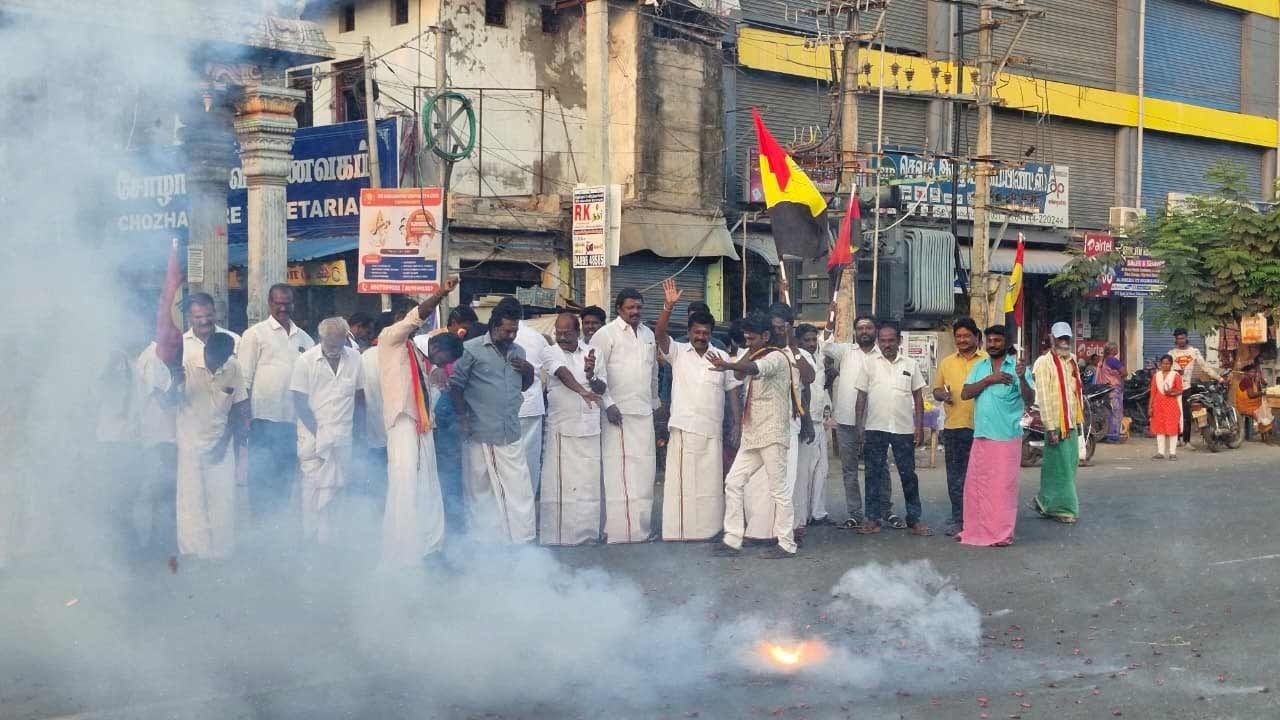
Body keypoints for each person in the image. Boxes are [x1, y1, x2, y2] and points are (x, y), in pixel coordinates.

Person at [377, 279, 459, 566]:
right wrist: (440, 294)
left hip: (422, 424)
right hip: (403, 422)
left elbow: (427, 376)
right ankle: (404, 550)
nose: (419, 326)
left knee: (428, 485)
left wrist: (436, 371)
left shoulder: (412, 349)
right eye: (414, 320)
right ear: (401, 320)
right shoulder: (390, 338)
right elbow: (416, 318)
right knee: (406, 485)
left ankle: (430, 547)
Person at [656, 279, 741, 542]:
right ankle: (678, 532)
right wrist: (668, 307)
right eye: (696, 332)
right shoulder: (679, 352)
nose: (701, 337)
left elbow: (732, 392)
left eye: (705, 333)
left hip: (711, 430)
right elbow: (659, 335)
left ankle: (708, 531)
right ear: (690, 332)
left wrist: (736, 424)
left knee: (708, 485)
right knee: (681, 485)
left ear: (710, 333)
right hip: (683, 427)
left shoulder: (722, 357)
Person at [710, 312, 801, 559]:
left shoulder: (777, 358)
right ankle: (732, 539)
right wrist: (750, 348)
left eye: (752, 334)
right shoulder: (756, 352)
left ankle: (787, 543)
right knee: (733, 482)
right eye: (745, 333)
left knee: (779, 490)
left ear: (766, 336)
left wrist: (728, 363)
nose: (747, 337)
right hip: (753, 434)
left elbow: (750, 369)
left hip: (772, 433)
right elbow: (741, 375)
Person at [450, 300, 538, 544]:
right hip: (480, 431)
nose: (511, 335)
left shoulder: (518, 352)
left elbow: (523, 386)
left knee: (518, 488)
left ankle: (521, 540)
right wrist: (463, 418)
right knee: (481, 491)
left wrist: (529, 371)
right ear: (493, 326)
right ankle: (485, 542)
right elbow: (456, 386)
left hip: (510, 430)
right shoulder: (472, 349)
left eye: (515, 331)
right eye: (507, 330)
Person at [238, 284, 315, 523]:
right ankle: (259, 528)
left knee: (285, 477)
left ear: (293, 304)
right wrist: (244, 418)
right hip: (262, 419)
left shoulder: (305, 339)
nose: (283, 308)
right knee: (261, 477)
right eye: (278, 303)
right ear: (269, 304)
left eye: (287, 303)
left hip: (292, 421)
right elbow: (244, 380)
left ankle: (278, 529)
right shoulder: (255, 334)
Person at [590, 288, 659, 544]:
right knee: (618, 472)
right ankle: (618, 532)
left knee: (643, 470)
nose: (635, 312)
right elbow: (596, 375)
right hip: (617, 413)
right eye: (630, 307)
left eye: (639, 307)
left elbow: (652, 373)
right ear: (619, 309)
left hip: (643, 412)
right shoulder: (604, 335)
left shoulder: (648, 334)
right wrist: (607, 404)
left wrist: (655, 403)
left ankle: (640, 530)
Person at [956, 325, 1033, 547]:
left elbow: (1029, 398)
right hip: (982, 435)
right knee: (978, 487)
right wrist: (991, 379)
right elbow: (965, 392)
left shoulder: (1018, 368)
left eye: (997, 341)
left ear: (1007, 343)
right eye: (990, 340)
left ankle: (1001, 534)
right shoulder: (980, 367)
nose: (992, 344)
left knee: (1002, 489)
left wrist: (1023, 379)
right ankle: (976, 530)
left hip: (1006, 437)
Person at [743, 303, 815, 542]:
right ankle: (757, 532)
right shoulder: (761, 352)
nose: (777, 332)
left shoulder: (798, 353)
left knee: (784, 482)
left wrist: (792, 347)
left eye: (781, 328)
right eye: (772, 328)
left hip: (787, 427)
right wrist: (757, 346)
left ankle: (781, 534)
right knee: (757, 484)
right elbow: (737, 374)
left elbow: (808, 380)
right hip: (757, 425)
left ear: (789, 327)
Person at [290, 317, 365, 544]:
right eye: (330, 345)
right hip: (313, 438)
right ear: (320, 339)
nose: (334, 350)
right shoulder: (305, 361)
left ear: (346, 338)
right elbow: (299, 401)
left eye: (339, 344)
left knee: (338, 487)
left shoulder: (355, 358)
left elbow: (360, 398)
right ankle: (312, 538)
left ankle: (334, 539)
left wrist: (359, 433)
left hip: (343, 436)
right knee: (312, 489)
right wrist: (319, 433)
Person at [175, 332, 248, 560]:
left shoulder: (233, 367)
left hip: (221, 442)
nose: (219, 364)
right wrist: (174, 384)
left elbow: (240, 409)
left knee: (223, 500)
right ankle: (194, 554)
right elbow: (168, 402)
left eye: (224, 360)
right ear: (206, 351)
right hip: (189, 443)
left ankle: (221, 556)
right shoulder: (186, 365)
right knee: (191, 501)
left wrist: (224, 443)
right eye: (216, 359)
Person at [854, 322, 930, 536]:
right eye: (883, 340)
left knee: (908, 476)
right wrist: (860, 426)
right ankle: (873, 520)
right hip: (875, 427)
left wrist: (919, 427)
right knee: (873, 475)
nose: (887, 344)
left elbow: (918, 397)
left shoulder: (911, 364)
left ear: (899, 341)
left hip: (903, 428)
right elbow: (861, 397)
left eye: (891, 340)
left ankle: (914, 520)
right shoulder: (869, 364)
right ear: (878, 341)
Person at [539, 312, 608, 545]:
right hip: (561, 427)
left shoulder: (594, 353)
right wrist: (582, 390)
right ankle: (558, 536)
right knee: (560, 484)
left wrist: (590, 375)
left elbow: (602, 386)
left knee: (588, 484)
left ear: (577, 332)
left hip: (588, 425)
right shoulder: (550, 352)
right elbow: (562, 373)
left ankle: (588, 535)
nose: (562, 337)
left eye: (567, 333)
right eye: (558, 333)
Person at [822, 316, 882, 529]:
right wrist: (831, 315)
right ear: (855, 331)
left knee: (879, 469)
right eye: (860, 328)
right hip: (847, 420)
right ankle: (855, 513)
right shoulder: (846, 351)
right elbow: (825, 344)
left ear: (876, 330)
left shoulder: (883, 353)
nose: (864, 331)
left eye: (868, 327)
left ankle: (882, 512)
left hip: (876, 422)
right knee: (849, 470)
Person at [931, 317, 986, 536]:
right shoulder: (946, 362)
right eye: (958, 336)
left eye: (966, 335)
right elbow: (936, 389)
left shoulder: (987, 360)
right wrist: (942, 395)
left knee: (981, 476)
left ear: (976, 337)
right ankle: (959, 519)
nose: (962, 340)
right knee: (955, 476)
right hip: (954, 427)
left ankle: (981, 519)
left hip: (982, 427)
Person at [494, 297, 550, 496]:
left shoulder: (495, 334)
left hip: (503, 407)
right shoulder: (537, 337)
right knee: (528, 461)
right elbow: (548, 371)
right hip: (530, 406)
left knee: (504, 462)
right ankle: (525, 510)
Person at [1031, 322, 1086, 524]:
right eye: (1060, 338)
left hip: (1071, 422)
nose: (1064, 342)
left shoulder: (1071, 360)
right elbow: (1044, 397)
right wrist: (1051, 427)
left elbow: (1076, 391)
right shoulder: (1043, 363)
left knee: (1066, 467)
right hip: (1056, 425)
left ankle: (1046, 502)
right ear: (1052, 339)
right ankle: (1066, 509)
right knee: (1061, 468)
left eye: (1066, 338)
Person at [133, 340, 179, 558]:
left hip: (167, 436)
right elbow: (164, 401)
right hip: (159, 436)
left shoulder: (165, 353)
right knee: (159, 491)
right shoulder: (153, 357)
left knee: (163, 491)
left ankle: (159, 543)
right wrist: (179, 379)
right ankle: (153, 545)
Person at [794, 323, 832, 528]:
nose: (810, 343)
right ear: (798, 341)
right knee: (803, 473)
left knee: (821, 470)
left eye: (813, 340)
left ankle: (818, 513)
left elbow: (818, 388)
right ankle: (801, 518)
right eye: (806, 340)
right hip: (805, 423)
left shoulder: (819, 357)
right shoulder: (797, 358)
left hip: (820, 422)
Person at [1169, 328, 1221, 446]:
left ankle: (1187, 441)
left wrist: (1219, 378)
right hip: (1174, 389)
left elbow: (1205, 367)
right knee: (1175, 414)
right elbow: (1165, 369)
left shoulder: (1194, 351)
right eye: (1178, 338)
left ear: (1186, 337)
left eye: (1182, 338)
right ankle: (1176, 439)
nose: (1180, 340)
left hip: (1186, 387)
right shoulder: (1171, 353)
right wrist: (1174, 371)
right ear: (1175, 340)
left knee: (1187, 415)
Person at [183, 292, 240, 368]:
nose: (204, 321)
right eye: (198, 317)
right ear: (189, 317)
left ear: (215, 313)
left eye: (208, 315)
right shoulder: (181, 344)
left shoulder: (235, 340)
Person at [1149, 354, 1184, 460]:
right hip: (1158, 405)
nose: (1165, 365)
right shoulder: (1156, 376)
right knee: (1160, 428)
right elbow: (1153, 392)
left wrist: (1171, 393)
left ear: (1171, 364)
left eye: (1168, 363)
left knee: (1172, 428)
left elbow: (1180, 390)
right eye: (1164, 363)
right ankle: (1160, 452)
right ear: (1160, 364)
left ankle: (1172, 453)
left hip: (1172, 405)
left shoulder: (1175, 375)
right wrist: (1150, 407)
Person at [1236, 363, 1275, 443]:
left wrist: (1260, 380)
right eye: (1251, 372)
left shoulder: (1252, 380)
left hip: (1252, 405)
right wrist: (1263, 393)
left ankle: (1265, 434)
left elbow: (1265, 384)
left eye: (1254, 372)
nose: (1253, 374)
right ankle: (1266, 435)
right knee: (1261, 413)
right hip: (1245, 406)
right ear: (1246, 373)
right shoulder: (1246, 380)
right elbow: (1251, 395)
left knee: (1267, 410)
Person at [1095, 343, 1126, 442]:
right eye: (1116, 348)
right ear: (1112, 350)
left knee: (1108, 412)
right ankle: (1113, 435)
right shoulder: (1113, 360)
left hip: (1104, 389)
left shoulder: (1102, 360)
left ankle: (1107, 434)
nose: (1117, 349)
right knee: (1116, 412)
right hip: (1114, 389)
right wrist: (1118, 377)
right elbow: (1125, 372)